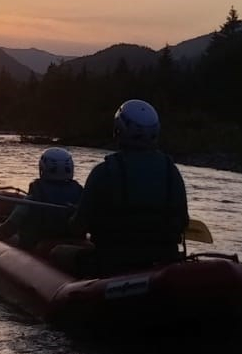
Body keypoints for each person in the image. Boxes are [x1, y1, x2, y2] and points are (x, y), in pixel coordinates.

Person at [65, 99, 188, 275]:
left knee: (58, 253)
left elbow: (78, 227)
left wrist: (73, 215)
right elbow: (182, 220)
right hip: (163, 261)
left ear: (119, 130)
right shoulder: (172, 172)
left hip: (112, 262)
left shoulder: (103, 172)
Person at [0, 147, 84, 252]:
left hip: (40, 246)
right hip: (75, 245)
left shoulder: (32, 199)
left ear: (43, 168)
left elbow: (5, 232)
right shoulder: (81, 196)